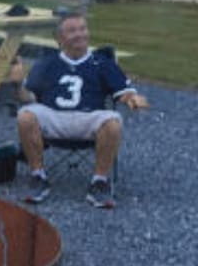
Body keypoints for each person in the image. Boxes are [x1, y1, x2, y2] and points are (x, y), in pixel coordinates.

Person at [17, 12, 148, 208]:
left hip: (89, 118)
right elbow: (27, 97)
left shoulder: (102, 62)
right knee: (25, 116)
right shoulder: (47, 62)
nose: (79, 34)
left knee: (113, 122)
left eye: (82, 29)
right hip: (55, 118)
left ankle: (99, 182)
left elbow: (124, 93)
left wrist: (133, 99)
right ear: (60, 38)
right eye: (72, 31)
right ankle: (38, 176)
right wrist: (18, 83)